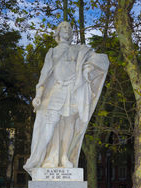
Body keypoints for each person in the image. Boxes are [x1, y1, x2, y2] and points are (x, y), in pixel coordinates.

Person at [24, 21, 109, 176]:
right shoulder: (52, 52)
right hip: (57, 90)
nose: (67, 30)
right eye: (64, 27)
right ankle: (39, 158)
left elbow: (97, 60)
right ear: (58, 32)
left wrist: (87, 68)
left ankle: (64, 157)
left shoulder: (79, 50)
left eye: (70, 28)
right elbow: (44, 76)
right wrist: (38, 95)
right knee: (50, 125)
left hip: (73, 90)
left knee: (69, 124)